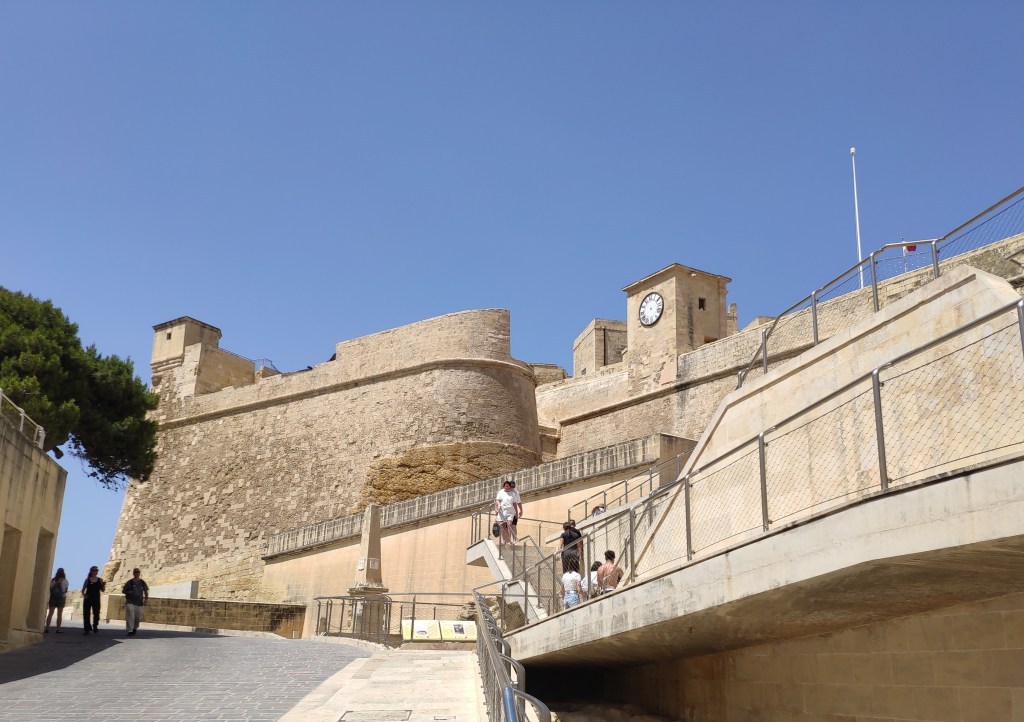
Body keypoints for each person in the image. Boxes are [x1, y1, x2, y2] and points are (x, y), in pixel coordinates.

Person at [122, 567, 149, 636]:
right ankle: (130, 630)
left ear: (139, 573)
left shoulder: (142, 582)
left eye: (138, 572)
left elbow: (146, 591)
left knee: (138, 617)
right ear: (133, 573)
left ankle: (135, 627)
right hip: (130, 601)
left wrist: (146, 599)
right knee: (130, 615)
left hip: (139, 602)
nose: (137, 573)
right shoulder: (130, 582)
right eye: (135, 572)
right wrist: (128, 592)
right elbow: (123, 591)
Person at [81, 565, 106, 634]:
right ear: (91, 571)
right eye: (95, 570)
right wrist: (84, 595)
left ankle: (95, 625)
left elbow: (103, 590)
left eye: (97, 570)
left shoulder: (100, 580)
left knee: (96, 613)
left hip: (96, 598)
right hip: (88, 598)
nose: (96, 571)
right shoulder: (87, 580)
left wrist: (103, 585)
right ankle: (87, 629)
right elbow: (83, 589)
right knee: (86, 613)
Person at [44, 568, 68, 633]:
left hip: (53, 598)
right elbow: (65, 591)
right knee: (59, 614)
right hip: (61, 598)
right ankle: (58, 629)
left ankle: (47, 628)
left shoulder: (53, 580)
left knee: (50, 614)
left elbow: (50, 589)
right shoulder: (65, 581)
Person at [494, 481, 518, 548]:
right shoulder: (500, 492)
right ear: (504, 486)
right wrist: (498, 506)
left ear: (510, 487)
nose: (507, 487)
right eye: (506, 486)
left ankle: (509, 540)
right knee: (503, 526)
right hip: (503, 511)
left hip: (510, 511)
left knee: (509, 524)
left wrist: (516, 512)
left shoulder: (512, 494)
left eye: (508, 486)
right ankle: (506, 540)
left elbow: (515, 503)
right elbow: (497, 500)